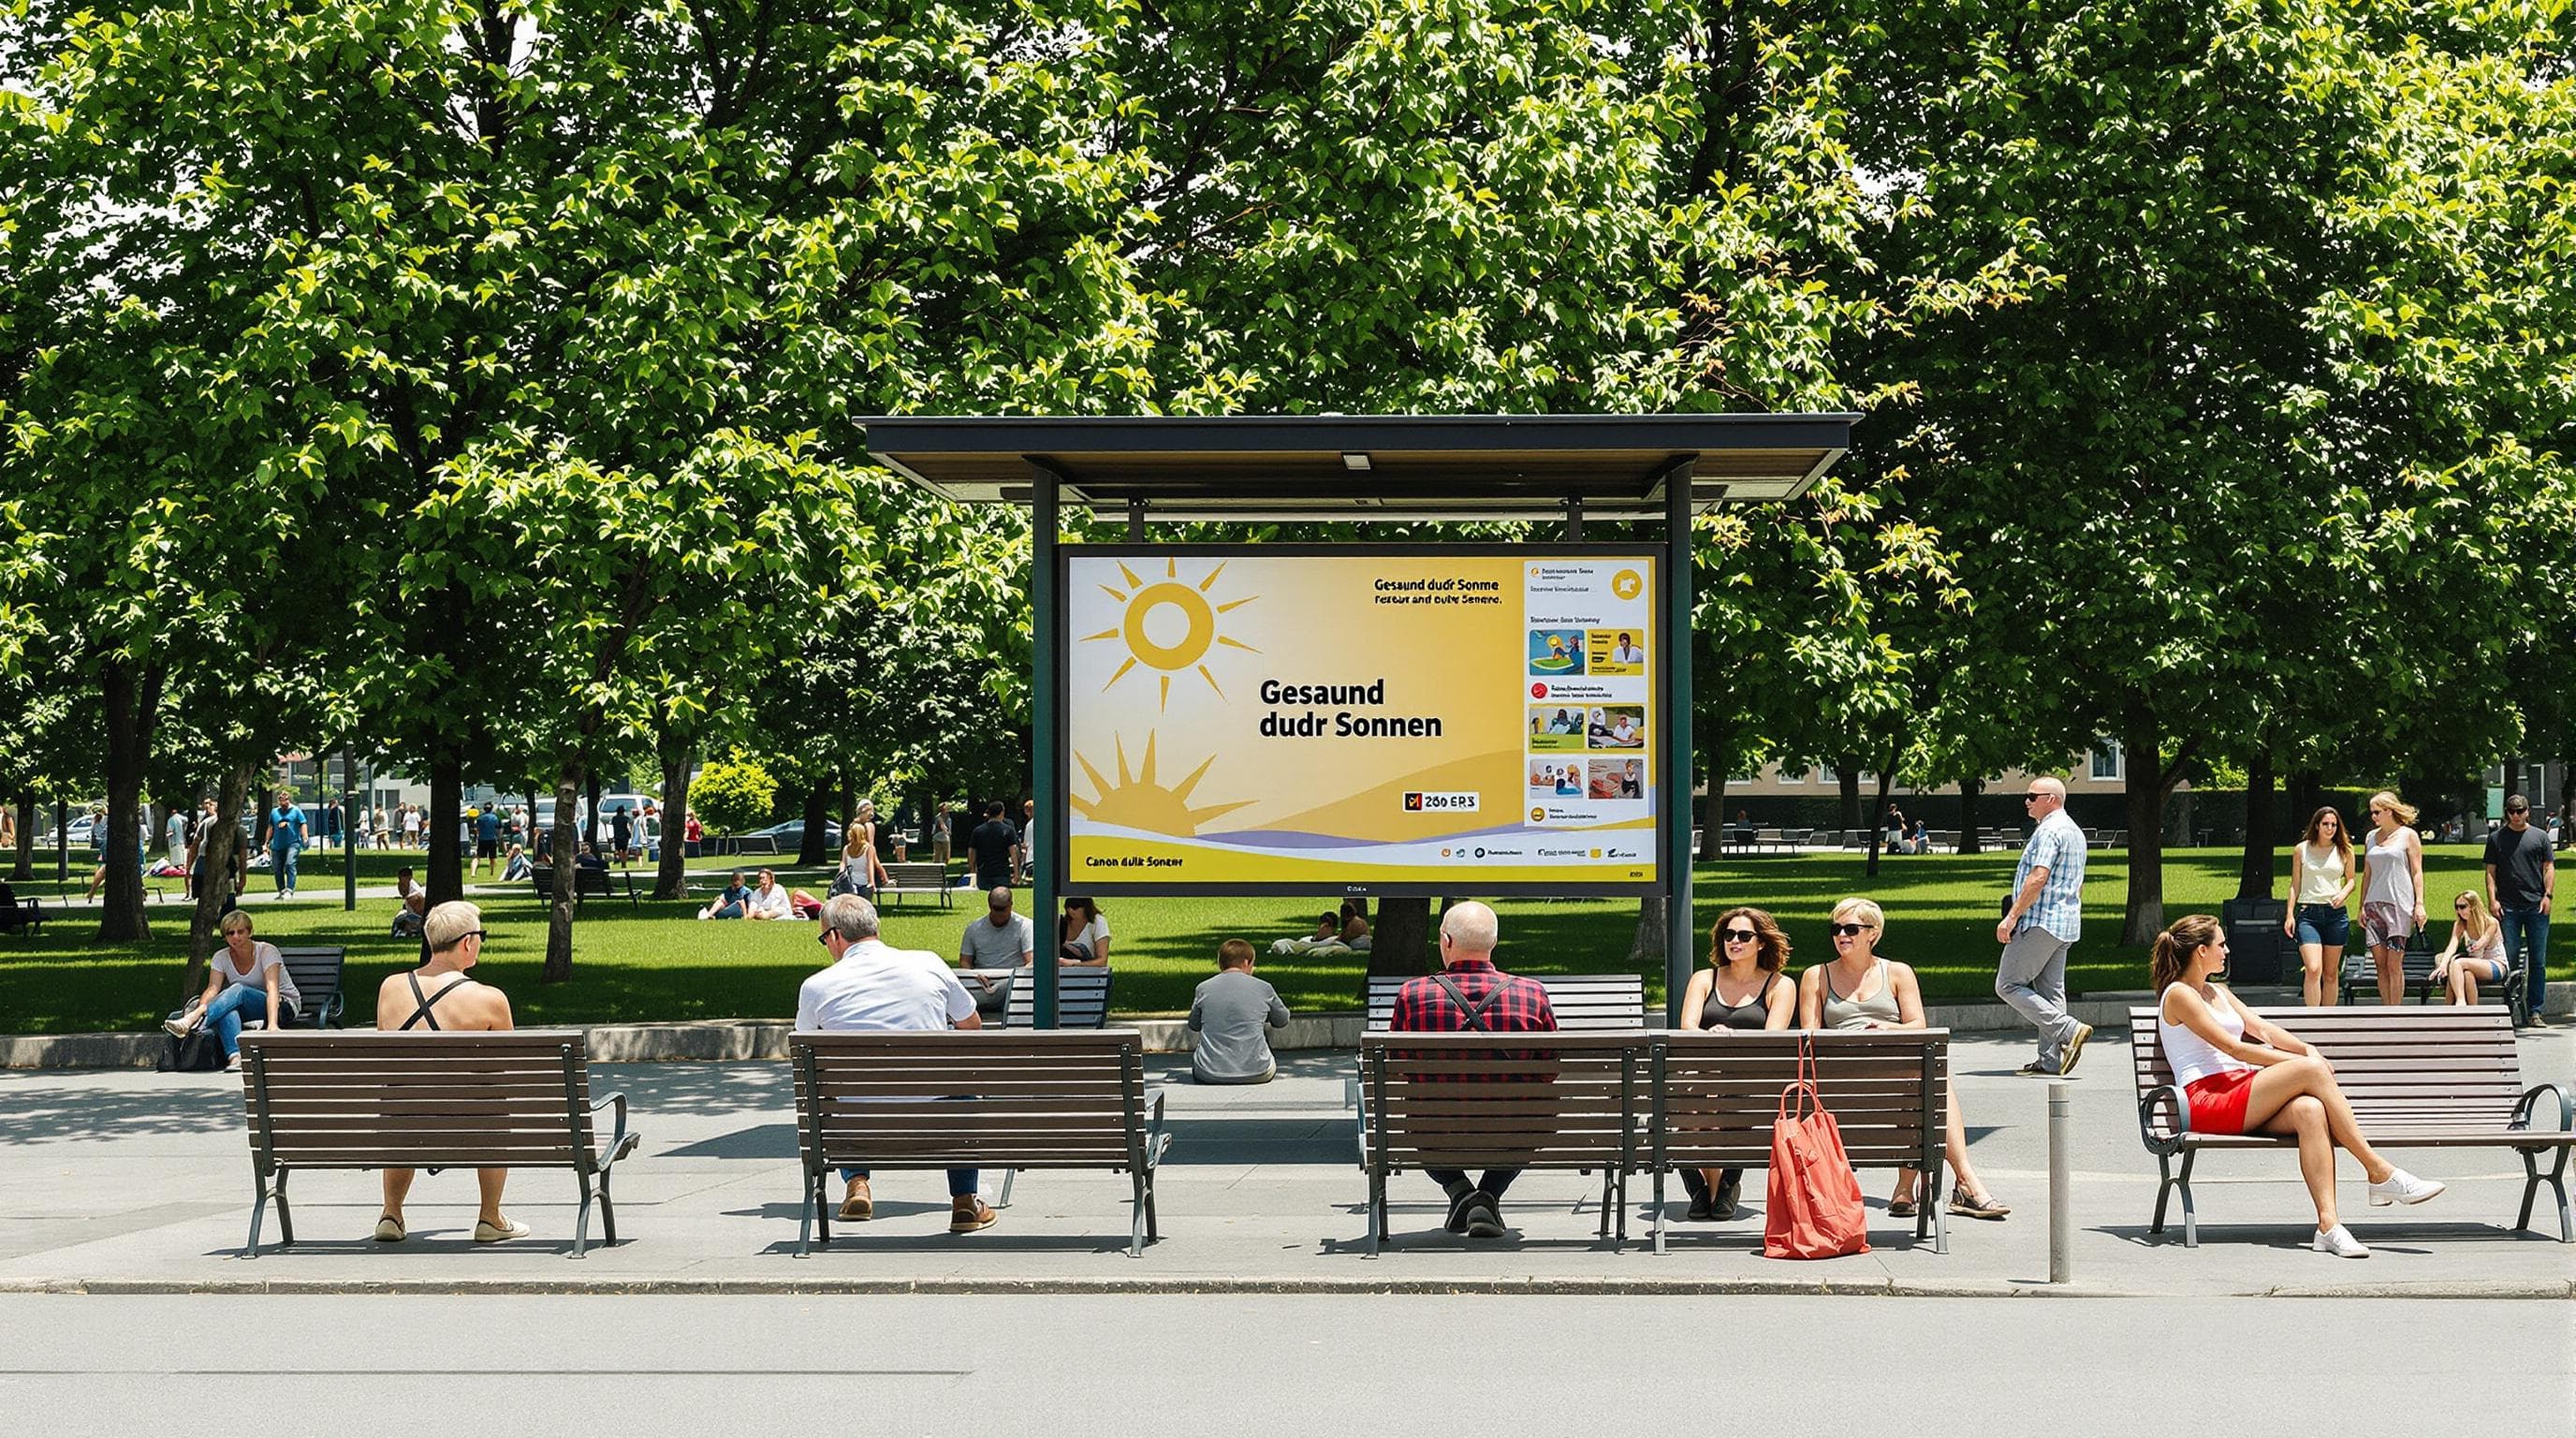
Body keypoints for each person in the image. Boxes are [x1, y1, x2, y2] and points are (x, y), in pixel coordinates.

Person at [2151, 913, 2443, 1256]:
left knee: (2310, 1110)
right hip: (2206, 1100)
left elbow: (2261, 1030)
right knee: (2311, 1073)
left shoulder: (2218, 991)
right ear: (2201, 951)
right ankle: (2378, 1171)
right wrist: (2305, 1064)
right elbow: (2233, 1047)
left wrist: (2306, 1049)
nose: (2227, 951)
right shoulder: (2179, 995)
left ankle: (2328, 1226)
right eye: (2221, 944)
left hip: (2240, 1091)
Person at [797, 894, 999, 1234]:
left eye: (824, 940)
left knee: (830, 1095)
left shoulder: (817, 987)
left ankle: (857, 1185)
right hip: (936, 1119)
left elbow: (804, 1053)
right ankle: (964, 1201)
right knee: (963, 1090)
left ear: (834, 936)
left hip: (860, 1124)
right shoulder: (930, 963)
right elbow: (972, 1027)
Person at [1802, 897, 2010, 1221]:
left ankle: (1929, 1185)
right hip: (1843, 1078)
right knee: (1928, 1083)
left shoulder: (1897, 972)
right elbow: (1809, 1035)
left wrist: (1885, 1027)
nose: (1842, 935)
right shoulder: (1817, 976)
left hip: (1894, 1069)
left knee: (1931, 1082)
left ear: (1873, 933)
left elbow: (1918, 1025)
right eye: (1836, 929)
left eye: (1851, 928)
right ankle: (1960, 1185)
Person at [1390, 901, 1556, 1239]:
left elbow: (1398, 1066)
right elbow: (1549, 1069)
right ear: (1493, 943)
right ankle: (1487, 1196)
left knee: (1417, 1114)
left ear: (1445, 941)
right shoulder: (1532, 993)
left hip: (1435, 1128)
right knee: (1536, 1113)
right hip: (1513, 1129)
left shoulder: (1412, 994)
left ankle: (1463, 1193)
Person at [373, 902, 527, 1243]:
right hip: (471, 1126)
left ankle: (392, 1213)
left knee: (400, 1105)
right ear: (468, 942)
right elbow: (508, 1069)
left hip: (402, 1121)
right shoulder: (490, 999)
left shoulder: (390, 988)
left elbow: (389, 1056)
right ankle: (490, 1217)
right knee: (496, 1112)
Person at [1676, 906, 1794, 1221]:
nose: (1735, 941)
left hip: (1750, 1078)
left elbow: (1773, 1039)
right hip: (1702, 1074)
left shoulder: (1780, 985)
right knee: (1692, 1101)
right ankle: (1705, 1188)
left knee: (1720, 1102)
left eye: (1744, 935)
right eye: (1729, 935)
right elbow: (1687, 1026)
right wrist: (1709, 1035)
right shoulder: (1704, 978)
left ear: (1761, 943)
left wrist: (1731, 1039)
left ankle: (1721, 1187)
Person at [1995, 776, 2091, 1076]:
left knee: (2008, 984)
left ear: (2052, 798)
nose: (2026, 800)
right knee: (2051, 992)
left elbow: (2038, 876)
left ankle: (2068, 1029)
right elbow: (2078, 882)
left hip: (2041, 921)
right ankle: (2051, 1060)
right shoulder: (2074, 831)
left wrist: (2012, 916)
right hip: (2066, 922)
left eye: (2032, 796)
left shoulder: (2048, 831)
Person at [163, 909, 300, 1070]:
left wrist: (272, 1026)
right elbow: (212, 989)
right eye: (230, 933)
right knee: (227, 1010)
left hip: (281, 1006)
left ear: (249, 932)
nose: (236, 937)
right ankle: (235, 1057)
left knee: (238, 989)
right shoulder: (221, 957)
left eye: (240, 931)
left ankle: (192, 1020)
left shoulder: (266, 951)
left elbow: (273, 988)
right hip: (249, 1008)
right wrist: (205, 1002)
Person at [2484, 793, 2554, 1022]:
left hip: (2536, 905)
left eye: (2520, 811)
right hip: (2508, 907)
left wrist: (2548, 895)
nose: (2516, 815)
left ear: (2527, 812)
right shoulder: (2496, 838)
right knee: (2509, 958)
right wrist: (2492, 900)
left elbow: (2548, 867)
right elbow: (2490, 872)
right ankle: (2509, 1008)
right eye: (2512, 811)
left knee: (2538, 961)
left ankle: (2535, 1011)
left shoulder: (2540, 837)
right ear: (2507, 812)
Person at [2358, 790, 2427, 1006]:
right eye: (2372, 812)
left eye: (2377, 812)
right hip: (2374, 905)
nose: (2373, 816)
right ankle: (2385, 1010)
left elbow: (2417, 872)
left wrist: (2419, 904)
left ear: (2389, 810)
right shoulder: (2371, 837)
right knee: (2380, 964)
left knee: (2394, 964)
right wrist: (2361, 906)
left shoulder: (2408, 835)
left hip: (2399, 904)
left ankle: (2396, 1013)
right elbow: (2367, 874)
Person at [2283, 806, 2357, 1005]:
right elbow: (2295, 884)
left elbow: (2351, 880)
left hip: (2335, 913)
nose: (2330, 828)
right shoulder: (2302, 849)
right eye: (2326, 824)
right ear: (2317, 825)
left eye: (2334, 824)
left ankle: (2328, 1018)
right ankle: (2313, 1017)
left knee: (2331, 973)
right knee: (2314, 968)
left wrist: (2343, 894)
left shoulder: (2345, 850)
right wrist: (2290, 914)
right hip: (2309, 913)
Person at [1189, 940, 1292, 1084]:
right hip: (1259, 1071)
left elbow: (1194, 1024)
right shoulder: (1264, 987)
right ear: (1246, 962)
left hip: (1209, 1072)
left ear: (1220, 963)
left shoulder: (1203, 988)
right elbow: (1282, 1020)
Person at [955, 886, 1036, 1019]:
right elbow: (965, 962)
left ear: (1011, 905)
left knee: (1006, 988)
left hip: (1011, 982)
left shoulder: (1025, 926)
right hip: (981, 981)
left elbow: (1031, 962)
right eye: (995, 908)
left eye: (1003, 909)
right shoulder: (974, 929)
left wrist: (1012, 978)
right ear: (989, 906)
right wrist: (973, 975)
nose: (999, 913)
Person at [2433, 891, 2510, 1007]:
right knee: (2467, 974)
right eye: (2456, 907)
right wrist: (2443, 965)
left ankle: (2460, 1002)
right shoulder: (2460, 924)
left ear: (2473, 906)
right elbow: (2452, 945)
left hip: (2496, 965)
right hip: (2474, 965)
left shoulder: (2491, 922)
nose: (2459, 911)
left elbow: (2484, 939)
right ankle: (2470, 1012)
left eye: (2462, 907)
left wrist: (2476, 945)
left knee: (2457, 963)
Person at [263, 791, 306, 900]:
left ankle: (290, 890)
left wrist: (305, 836)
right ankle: (281, 890)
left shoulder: (296, 811)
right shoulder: (274, 812)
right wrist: (266, 842)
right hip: (277, 845)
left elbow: (303, 823)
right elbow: (271, 827)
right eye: (281, 801)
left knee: (290, 863)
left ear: (289, 800)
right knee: (277, 868)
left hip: (293, 843)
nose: (283, 803)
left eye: (285, 800)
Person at [968, 801, 1018, 892]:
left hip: (983, 871)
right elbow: (1013, 852)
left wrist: (972, 869)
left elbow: (972, 852)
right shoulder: (1008, 830)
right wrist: (1016, 872)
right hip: (1001, 872)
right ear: (1002, 812)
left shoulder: (978, 831)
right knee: (1001, 898)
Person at [1271, 910, 1350, 957]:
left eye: (1327, 926)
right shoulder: (1306, 939)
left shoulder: (1334, 940)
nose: (1323, 928)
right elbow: (1299, 944)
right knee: (1281, 943)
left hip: (1317, 949)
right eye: (1322, 924)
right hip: (1304, 945)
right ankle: (1282, 952)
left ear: (1333, 928)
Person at [1059, 895, 1110, 964]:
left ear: (1086, 907)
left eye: (1075, 907)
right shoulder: (1060, 922)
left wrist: (1075, 964)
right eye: (1068, 906)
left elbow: (1102, 961)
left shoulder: (1098, 921)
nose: (1070, 910)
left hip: (1088, 971)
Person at [474, 802, 503, 876]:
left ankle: (473, 872)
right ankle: (492, 872)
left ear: (484, 809)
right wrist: (499, 838)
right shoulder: (495, 818)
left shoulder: (480, 818)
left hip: (482, 839)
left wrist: (477, 836)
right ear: (491, 809)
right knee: (492, 858)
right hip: (492, 839)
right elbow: (498, 829)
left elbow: (477, 829)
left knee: (477, 856)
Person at [930, 804, 952, 871]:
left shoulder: (948, 817)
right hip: (938, 837)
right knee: (937, 855)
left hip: (945, 838)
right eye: (946, 808)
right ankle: (936, 870)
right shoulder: (938, 817)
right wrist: (947, 832)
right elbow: (942, 826)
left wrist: (949, 833)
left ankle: (943, 869)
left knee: (947, 856)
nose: (947, 810)